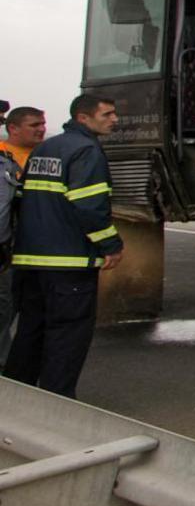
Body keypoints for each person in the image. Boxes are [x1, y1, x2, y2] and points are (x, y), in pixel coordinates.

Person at [3, 96, 123, 398]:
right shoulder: (86, 151)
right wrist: (111, 245)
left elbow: (21, 201)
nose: (115, 119)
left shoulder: (45, 148)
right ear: (84, 118)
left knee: (30, 332)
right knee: (67, 336)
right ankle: (58, 403)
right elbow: (89, 206)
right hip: (68, 263)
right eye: (107, 114)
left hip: (31, 262)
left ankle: (16, 398)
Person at [0, 106, 48, 366]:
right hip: (7, 246)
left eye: (42, 123)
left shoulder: (47, 155)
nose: (41, 129)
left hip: (35, 248)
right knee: (4, 305)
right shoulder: (2, 156)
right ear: (13, 128)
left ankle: (19, 366)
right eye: (34, 125)